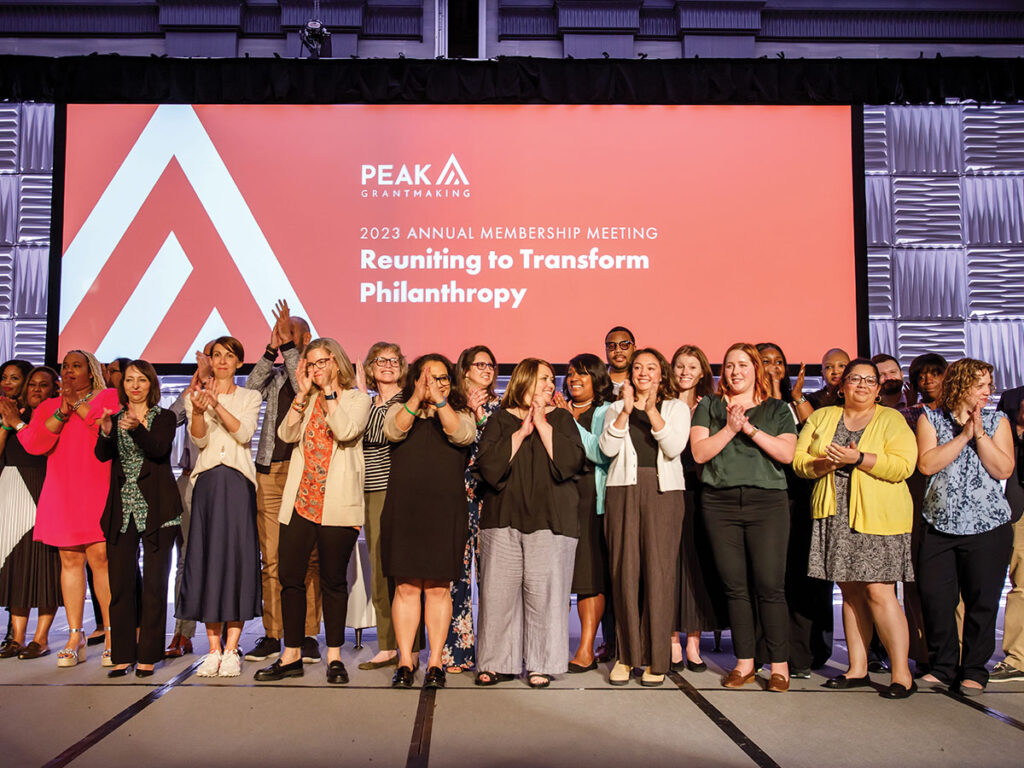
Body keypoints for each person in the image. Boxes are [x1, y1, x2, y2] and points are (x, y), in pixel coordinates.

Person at [794, 359, 918, 699]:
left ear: (878, 389)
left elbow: (903, 466)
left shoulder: (891, 419)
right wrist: (826, 463)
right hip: (834, 515)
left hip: (879, 517)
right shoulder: (822, 417)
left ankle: (902, 674)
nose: (862, 385)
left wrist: (858, 458)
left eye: (869, 380)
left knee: (879, 592)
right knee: (849, 593)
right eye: (854, 378)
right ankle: (857, 668)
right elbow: (800, 462)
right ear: (842, 386)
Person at [254, 339, 370, 684]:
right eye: (311, 364)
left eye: (322, 362)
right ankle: (290, 654)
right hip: (300, 503)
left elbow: (346, 431)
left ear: (335, 362)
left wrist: (330, 393)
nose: (316, 370)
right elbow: (285, 434)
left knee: (333, 581)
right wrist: (302, 396)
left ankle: (334, 656)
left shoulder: (357, 399)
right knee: (290, 578)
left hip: (337, 505)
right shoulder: (306, 399)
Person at [690, 343, 797, 692]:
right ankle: (745, 663)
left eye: (743, 365)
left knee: (770, 586)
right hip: (719, 503)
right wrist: (729, 428)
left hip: (767, 503)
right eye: (730, 365)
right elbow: (700, 452)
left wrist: (748, 429)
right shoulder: (709, 405)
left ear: (756, 370)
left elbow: (786, 453)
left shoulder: (776, 408)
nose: (735, 371)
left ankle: (779, 665)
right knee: (735, 587)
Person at [474, 358, 585, 688]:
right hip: (503, 519)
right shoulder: (500, 419)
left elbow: (570, 462)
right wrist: (522, 431)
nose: (551, 385)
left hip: (551, 521)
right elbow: (488, 467)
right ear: (523, 381)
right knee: (498, 596)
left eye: (552, 380)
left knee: (545, 597)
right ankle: (496, 663)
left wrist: (541, 422)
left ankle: (541, 663)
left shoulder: (562, 418)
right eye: (543, 379)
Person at [916, 358, 1015, 695]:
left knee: (982, 601)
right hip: (939, 525)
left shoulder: (998, 420)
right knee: (936, 598)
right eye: (980, 385)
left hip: (988, 526)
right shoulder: (930, 418)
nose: (988, 391)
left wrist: (980, 434)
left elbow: (1003, 470)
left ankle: (974, 669)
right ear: (960, 385)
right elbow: (927, 464)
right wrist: (963, 436)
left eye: (989, 384)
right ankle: (942, 666)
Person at [382, 354, 476, 689]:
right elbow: (394, 431)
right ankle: (405, 661)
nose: (433, 383)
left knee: (438, 587)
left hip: (444, 509)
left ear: (451, 382)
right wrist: (416, 398)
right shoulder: (399, 408)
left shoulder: (461, 412)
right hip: (404, 507)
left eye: (441, 378)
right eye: (426, 377)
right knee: (406, 587)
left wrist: (438, 401)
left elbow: (461, 436)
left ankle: (435, 662)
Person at [20, 350, 119, 667]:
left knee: (101, 559)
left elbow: (107, 432)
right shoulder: (49, 406)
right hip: (62, 491)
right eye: (65, 366)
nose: (70, 370)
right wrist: (62, 411)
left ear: (91, 371)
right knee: (70, 560)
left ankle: (112, 633)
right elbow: (35, 444)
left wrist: (77, 405)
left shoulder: (108, 397)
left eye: (77, 365)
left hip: (97, 488)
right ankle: (75, 637)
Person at [600, 348, 689, 687]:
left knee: (659, 574)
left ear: (661, 374)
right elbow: (608, 449)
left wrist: (651, 411)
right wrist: (626, 411)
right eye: (637, 367)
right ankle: (626, 657)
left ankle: (656, 659)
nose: (643, 373)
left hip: (664, 494)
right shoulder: (615, 408)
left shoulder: (676, 408)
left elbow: (674, 447)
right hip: (622, 491)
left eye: (651, 368)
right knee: (624, 573)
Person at [178, 336, 263, 678]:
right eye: (217, 355)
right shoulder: (194, 397)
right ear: (210, 361)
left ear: (239, 362)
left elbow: (243, 434)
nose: (223, 361)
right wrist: (199, 410)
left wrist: (216, 405)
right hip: (208, 484)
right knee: (207, 560)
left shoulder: (250, 396)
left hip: (239, 483)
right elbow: (199, 439)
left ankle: (232, 648)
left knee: (238, 560)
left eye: (230, 356)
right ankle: (213, 648)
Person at [245, 300, 322, 666]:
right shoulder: (274, 373)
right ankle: (274, 633)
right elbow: (249, 390)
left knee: (308, 558)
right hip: (270, 471)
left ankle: (307, 634)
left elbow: (299, 383)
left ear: (305, 338)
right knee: (271, 559)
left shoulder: (318, 374)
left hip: (304, 470)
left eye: (290, 333)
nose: (283, 338)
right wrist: (269, 349)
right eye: (280, 333)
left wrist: (289, 347)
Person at [96, 360, 182, 678]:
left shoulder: (165, 417)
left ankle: (148, 654)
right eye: (130, 380)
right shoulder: (116, 417)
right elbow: (102, 455)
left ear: (151, 385)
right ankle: (122, 654)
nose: (134, 385)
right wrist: (106, 433)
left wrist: (137, 428)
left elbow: (158, 450)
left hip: (159, 509)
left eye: (141, 380)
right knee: (120, 584)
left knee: (155, 585)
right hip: (122, 510)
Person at [758, 341, 834, 678]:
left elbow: (816, 437)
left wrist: (793, 397)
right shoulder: (745, 405)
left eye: (779, 361)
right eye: (765, 361)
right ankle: (766, 650)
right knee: (767, 577)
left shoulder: (801, 403)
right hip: (762, 497)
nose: (773, 367)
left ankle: (802, 654)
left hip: (799, 498)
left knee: (801, 577)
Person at [442, 345, 501, 673]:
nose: (487, 369)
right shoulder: (451, 404)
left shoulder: (501, 405)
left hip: (492, 498)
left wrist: (481, 417)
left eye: (490, 365)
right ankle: (457, 652)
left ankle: (493, 654)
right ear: (464, 370)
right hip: (457, 497)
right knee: (457, 578)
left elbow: (497, 451)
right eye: (480, 364)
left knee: (492, 578)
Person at [552, 353, 613, 673]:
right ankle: (550, 646)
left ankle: (586, 648)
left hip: (589, 499)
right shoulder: (556, 408)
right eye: (571, 373)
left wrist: (569, 420)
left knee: (589, 577)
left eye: (583, 374)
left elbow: (600, 453)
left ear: (597, 379)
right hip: (555, 498)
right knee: (554, 577)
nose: (574, 378)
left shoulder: (605, 410)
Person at [669, 344, 726, 673]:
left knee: (697, 566)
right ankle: (671, 640)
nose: (685, 372)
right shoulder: (663, 403)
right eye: (679, 366)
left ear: (703, 371)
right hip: (668, 490)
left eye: (692, 366)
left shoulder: (713, 405)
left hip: (701, 492)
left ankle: (694, 642)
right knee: (669, 565)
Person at [0, 365, 61, 660]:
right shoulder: (15, 415)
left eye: (43, 385)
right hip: (12, 490)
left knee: (46, 566)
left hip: (45, 488)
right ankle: (16, 637)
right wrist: (6, 424)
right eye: (33, 384)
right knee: (16, 565)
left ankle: (41, 638)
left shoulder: (55, 417)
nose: (37, 389)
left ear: (54, 389)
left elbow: (41, 448)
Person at [357, 341, 409, 671]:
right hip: (371, 491)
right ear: (370, 367)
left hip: (400, 491)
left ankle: (409, 646)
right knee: (378, 570)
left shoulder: (407, 400)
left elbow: (380, 433)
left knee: (403, 571)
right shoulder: (367, 402)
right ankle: (388, 645)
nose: (387, 365)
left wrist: (363, 397)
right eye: (380, 360)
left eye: (393, 360)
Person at [164, 345, 214, 660]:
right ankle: (182, 632)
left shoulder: (236, 394)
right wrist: (191, 389)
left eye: (215, 355)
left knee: (219, 559)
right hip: (188, 480)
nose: (208, 361)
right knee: (185, 560)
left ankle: (224, 636)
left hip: (220, 482)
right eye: (206, 356)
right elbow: (168, 420)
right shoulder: (191, 392)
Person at [991, 382, 1024, 682]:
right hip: (1019, 502)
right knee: (1021, 582)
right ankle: (1017, 658)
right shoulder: (1013, 397)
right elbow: (1002, 448)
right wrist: (1021, 430)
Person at [804, 348, 850, 412]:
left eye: (841, 366)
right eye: (828, 367)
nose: (836, 371)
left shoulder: (857, 396)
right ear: (822, 374)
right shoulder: (811, 400)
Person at [604, 327, 635, 396]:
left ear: (634, 348)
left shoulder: (641, 378)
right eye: (611, 346)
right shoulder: (595, 378)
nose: (618, 350)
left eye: (624, 345)